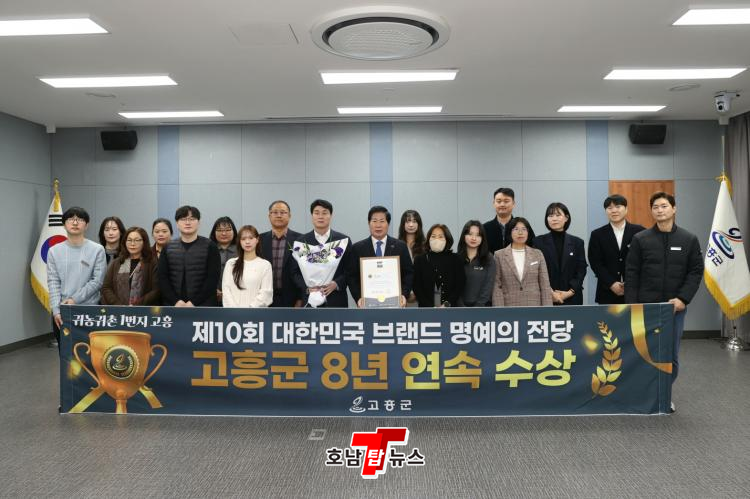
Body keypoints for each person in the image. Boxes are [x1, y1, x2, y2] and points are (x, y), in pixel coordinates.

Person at [625, 192, 703, 386]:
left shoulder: (688, 239)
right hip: (645, 307)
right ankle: (645, 392)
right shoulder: (640, 239)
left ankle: (665, 393)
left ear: (674, 209)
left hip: (673, 308)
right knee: (644, 352)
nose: (659, 210)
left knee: (670, 353)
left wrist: (683, 299)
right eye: (655, 207)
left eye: (664, 206)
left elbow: (695, 271)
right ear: (651, 211)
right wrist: (632, 304)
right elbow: (632, 273)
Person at [47, 207, 106, 346]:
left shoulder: (97, 249)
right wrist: (56, 311)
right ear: (64, 224)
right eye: (70, 219)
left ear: (86, 225)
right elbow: (53, 282)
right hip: (63, 312)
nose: (75, 222)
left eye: (79, 219)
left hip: (89, 311)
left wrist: (74, 299)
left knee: (90, 353)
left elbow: (97, 281)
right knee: (65, 354)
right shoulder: (54, 251)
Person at [290, 199, 352, 307]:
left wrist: (336, 283)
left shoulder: (343, 241)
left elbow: (350, 269)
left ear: (331, 216)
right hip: (309, 300)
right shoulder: (301, 242)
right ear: (312, 216)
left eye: (324, 213)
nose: (320, 216)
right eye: (317, 213)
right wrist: (307, 288)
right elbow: (294, 272)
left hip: (336, 300)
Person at [349, 206, 414, 307]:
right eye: (374, 221)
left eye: (382, 221)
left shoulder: (400, 246)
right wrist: (358, 298)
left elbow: (408, 273)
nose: (378, 225)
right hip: (367, 304)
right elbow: (352, 277)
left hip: (395, 303)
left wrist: (403, 295)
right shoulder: (357, 248)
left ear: (388, 224)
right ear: (369, 223)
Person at [158, 205, 221, 307]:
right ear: (177, 223)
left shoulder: (210, 246)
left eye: (192, 219)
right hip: (173, 305)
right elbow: (162, 278)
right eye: (183, 219)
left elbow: (212, 279)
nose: (187, 222)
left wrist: (194, 302)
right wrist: (175, 301)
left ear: (198, 222)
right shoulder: (168, 247)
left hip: (204, 306)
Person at [588, 195, 645, 304]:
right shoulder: (597, 234)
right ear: (605, 211)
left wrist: (630, 283)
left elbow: (644, 261)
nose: (614, 211)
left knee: (635, 316)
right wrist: (611, 283)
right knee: (607, 317)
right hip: (607, 292)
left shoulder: (640, 231)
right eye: (609, 208)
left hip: (635, 291)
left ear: (626, 209)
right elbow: (595, 263)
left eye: (618, 207)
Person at [534, 202, 587, 305]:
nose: (554, 219)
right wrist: (551, 293)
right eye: (550, 216)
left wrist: (569, 292)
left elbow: (581, 270)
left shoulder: (577, 242)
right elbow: (536, 271)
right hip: (546, 297)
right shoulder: (538, 242)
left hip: (572, 297)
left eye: (558, 215)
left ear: (566, 218)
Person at [492, 217, 553, 307]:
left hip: (534, 306)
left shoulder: (537, 254)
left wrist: (547, 309)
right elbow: (496, 285)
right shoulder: (499, 255)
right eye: (516, 229)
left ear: (528, 232)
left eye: (524, 229)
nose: (520, 233)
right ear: (510, 232)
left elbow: (545, 285)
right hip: (509, 306)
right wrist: (499, 310)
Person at [101, 227, 160, 305]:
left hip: (143, 310)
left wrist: (135, 306)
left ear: (144, 242)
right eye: (129, 240)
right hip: (118, 309)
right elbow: (106, 287)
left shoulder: (152, 263)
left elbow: (156, 290)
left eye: (137, 240)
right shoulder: (117, 262)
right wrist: (119, 305)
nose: (132, 244)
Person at [260, 200, 302, 307]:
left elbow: (304, 272)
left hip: (293, 299)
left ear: (289, 216)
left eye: (283, 212)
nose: (279, 215)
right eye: (275, 212)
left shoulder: (301, 240)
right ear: (269, 216)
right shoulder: (259, 240)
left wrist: (300, 299)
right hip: (262, 299)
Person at [412, 224, 465, 307]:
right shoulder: (420, 259)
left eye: (440, 237)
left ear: (447, 239)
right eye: (433, 236)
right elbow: (417, 287)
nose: (436, 239)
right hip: (426, 309)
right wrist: (430, 307)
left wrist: (448, 303)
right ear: (428, 239)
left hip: (450, 308)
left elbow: (460, 284)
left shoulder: (456, 259)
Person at [222, 225, 273, 308]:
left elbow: (266, 293)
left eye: (251, 238)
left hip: (256, 313)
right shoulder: (231, 264)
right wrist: (234, 311)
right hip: (232, 314)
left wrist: (249, 310)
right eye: (243, 239)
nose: (247, 242)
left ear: (257, 240)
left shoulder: (265, 265)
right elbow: (226, 290)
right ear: (239, 241)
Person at [456, 220, 495, 307]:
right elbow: (453, 286)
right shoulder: (456, 258)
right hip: (459, 308)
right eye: (470, 234)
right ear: (464, 236)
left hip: (482, 308)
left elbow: (488, 285)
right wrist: (461, 307)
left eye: (478, 235)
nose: (473, 238)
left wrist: (477, 307)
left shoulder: (488, 258)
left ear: (482, 238)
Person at [209, 216, 238, 305]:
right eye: (219, 230)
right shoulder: (208, 250)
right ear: (214, 232)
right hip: (211, 297)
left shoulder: (242, 251)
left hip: (236, 298)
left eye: (228, 230)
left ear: (234, 231)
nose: (224, 233)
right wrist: (212, 290)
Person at [483, 187, 516, 254]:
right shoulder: (485, 228)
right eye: (499, 201)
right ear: (494, 203)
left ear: (513, 204)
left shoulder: (521, 227)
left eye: (506, 201)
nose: (502, 204)